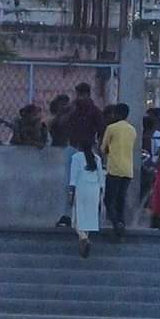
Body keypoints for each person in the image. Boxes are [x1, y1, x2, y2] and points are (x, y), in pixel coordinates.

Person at [56, 82, 104, 228]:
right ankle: (68, 215)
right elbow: (60, 123)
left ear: (87, 95)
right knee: (70, 183)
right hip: (74, 147)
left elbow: (101, 130)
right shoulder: (74, 110)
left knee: (88, 184)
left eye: (81, 95)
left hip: (87, 150)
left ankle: (86, 214)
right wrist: (71, 109)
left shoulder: (94, 111)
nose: (79, 98)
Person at [102, 101, 136, 235]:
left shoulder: (111, 128)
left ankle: (116, 223)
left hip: (114, 168)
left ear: (116, 114)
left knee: (109, 199)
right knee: (121, 198)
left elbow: (103, 148)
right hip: (128, 169)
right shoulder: (132, 130)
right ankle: (121, 221)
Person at [69, 145, 105, 258]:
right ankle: (83, 243)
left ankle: (84, 238)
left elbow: (73, 178)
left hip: (81, 189)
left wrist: (71, 194)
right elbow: (101, 178)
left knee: (76, 220)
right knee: (89, 219)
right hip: (94, 190)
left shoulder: (76, 157)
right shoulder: (97, 158)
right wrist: (101, 195)